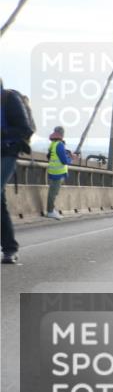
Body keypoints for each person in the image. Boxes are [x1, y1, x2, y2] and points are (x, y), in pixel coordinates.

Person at [1, 83, 34, 264]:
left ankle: (10, 249)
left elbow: (25, 129)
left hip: (6, 153)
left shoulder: (8, 99)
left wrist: (2, 132)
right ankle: (10, 248)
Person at [45, 126, 77, 219]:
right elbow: (64, 160)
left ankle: (51, 210)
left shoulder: (53, 144)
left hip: (52, 171)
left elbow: (51, 156)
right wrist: (71, 158)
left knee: (53, 192)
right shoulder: (59, 145)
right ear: (62, 134)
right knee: (53, 193)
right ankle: (50, 211)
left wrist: (68, 153)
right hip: (57, 173)